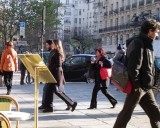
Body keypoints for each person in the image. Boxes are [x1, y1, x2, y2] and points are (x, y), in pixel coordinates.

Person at [113, 19, 160, 128]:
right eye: (156, 31)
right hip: (138, 87)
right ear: (150, 31)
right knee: (126, 114)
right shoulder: (138, 42)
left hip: (146, 86)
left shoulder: (147, 43)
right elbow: (134, 66)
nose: (157, 34)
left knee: (155, 114)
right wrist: (136, 85)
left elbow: (148, 65)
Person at [39, 39, 77, 112]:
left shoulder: (57, 53)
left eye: (53, 43)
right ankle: (71, 103)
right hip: (51, 74)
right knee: (54, 91)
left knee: (50, 90)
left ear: (56, 44)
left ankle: (50, 107)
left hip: (55, 74)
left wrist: (50, 67)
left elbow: (58, 65)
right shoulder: (53, 52)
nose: (52, 44)